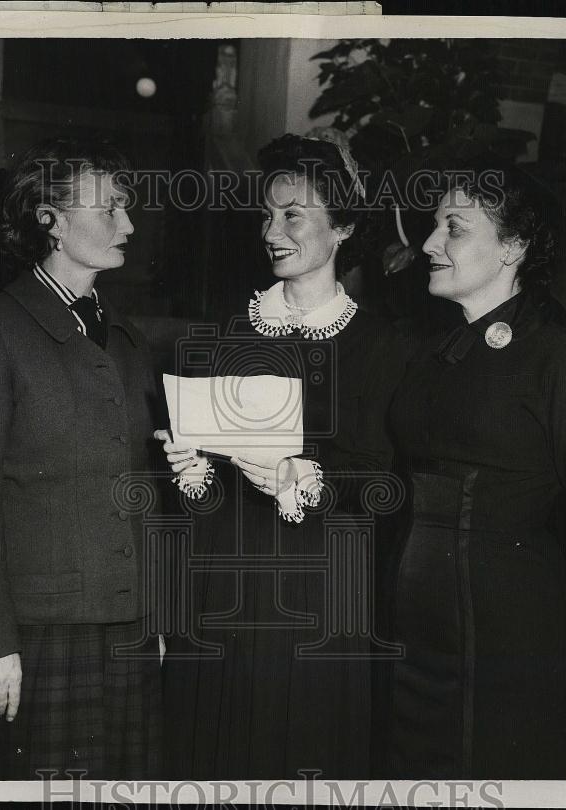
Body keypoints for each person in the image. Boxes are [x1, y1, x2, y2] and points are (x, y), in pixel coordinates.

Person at [155, 133, 412, 779]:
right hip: (222, 592)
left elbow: (388, 482)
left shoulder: (386, 347)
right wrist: (189, 475)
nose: (273, 230)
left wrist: (311, 479)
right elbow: (197, 500)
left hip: (321, 601)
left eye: (293, 214)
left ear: (344, 226)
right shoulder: (221, 334)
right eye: (267, 215)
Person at [382, 167, 566, 779]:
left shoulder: (563, 363)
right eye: (434, 225)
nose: (428, 244)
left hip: (511, 654)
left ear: (514, 247)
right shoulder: (431, 355)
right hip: (412, 641)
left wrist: (555, 648)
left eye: (454, 228)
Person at [0, 137, 162, 779]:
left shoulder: (125, 341)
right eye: (108, 209)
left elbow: (141, 489)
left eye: (126, 208)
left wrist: (157, 613)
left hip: (125, 627)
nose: (127, 223)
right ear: (52, 221)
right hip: (34, 636)